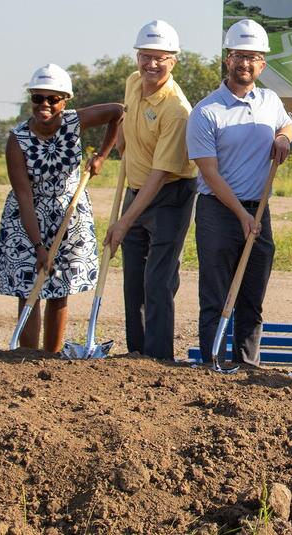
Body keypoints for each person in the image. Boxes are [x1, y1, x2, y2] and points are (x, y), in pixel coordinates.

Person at [0, 64, 123, 352]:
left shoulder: (75, 122)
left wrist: (102, 155)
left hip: (68, 214)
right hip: (27, 220)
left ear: (65, 100)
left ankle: (50, 358)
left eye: (53, 99)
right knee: (31, 288)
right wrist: (38, 246)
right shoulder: (17, 140)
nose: (45, 105)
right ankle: (26, 357)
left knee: (59, 290)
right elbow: (24, 195)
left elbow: (118, 112)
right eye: (38, 98)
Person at [187, 19, 292, 367]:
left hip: (258, 211)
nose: (245, 63)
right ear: (227, 60)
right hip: (219, 212)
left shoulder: (269, 100)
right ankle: (211, 362)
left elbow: (286, 123)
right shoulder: (205, 112)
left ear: (262, 63)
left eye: (253, 57)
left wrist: (283, 138)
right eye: (238, 56)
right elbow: (210, 174)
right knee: (217, 296)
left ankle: (247, 365)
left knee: (252, 298)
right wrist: (241, 215)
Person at [104, 20, 197, 360]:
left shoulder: (177, 110)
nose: (151, 64)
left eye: (160, 58)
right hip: (135, 187)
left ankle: (158, 358)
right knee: (133, 281)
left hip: (170, 196)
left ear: (173, 61)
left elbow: (160, 175)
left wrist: (123, 222)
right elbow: (125, 117)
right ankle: (137, 352)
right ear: (137, 57)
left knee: (158, 281)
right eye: (145, 56)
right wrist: (121, 141)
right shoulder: (133, 82)